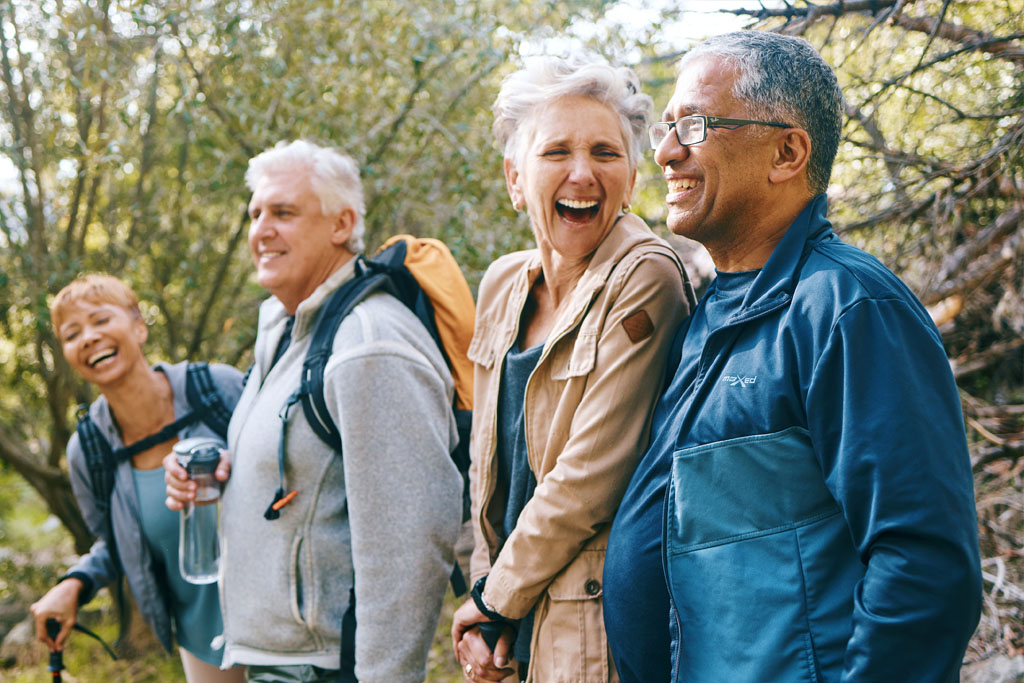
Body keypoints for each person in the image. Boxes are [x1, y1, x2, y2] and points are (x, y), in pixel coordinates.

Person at [603, 30, 983, 682]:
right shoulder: (712, 314)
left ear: (786, 152)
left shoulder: (847, 307)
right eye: (666, 128)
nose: (665, 152)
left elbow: (924, 567)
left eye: (693, 125)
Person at [164, 140, 463, 683]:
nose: (261, 230)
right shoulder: (289, 330)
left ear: (341, 223)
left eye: (283, 212)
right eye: (256, 214)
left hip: (325, 668)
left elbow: (410, 543)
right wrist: (224, 472)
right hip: (276, 662)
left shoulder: (367, 343)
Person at [450, 53, 692, 683]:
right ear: (514, 177)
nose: (582, 173)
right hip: (509, 624)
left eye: (606, 153)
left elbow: (590, 477)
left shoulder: (646, 276)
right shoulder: (502, 284)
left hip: (592, 631)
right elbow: (486, 470)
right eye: (556, 151)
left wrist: (490, 600)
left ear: (633, 175)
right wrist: (486, 600)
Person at [29, 274, 245, 683]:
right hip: (201, 642)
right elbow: (117, 541)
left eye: (100, 320)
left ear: (139, 327)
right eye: (72, 334)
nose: (89, 337)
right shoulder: (88, 449)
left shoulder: (217, 388)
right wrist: (76, 582)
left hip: (284, 621)